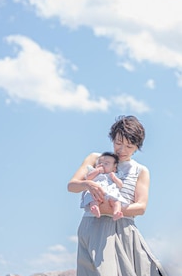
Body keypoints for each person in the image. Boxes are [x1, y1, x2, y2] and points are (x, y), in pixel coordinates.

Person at [68, 115, 167, 276]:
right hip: (92, 225)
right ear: (112, 139)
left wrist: (113, 208)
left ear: (137, 147)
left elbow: (141, 207)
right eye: (118, 143)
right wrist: (88, 184)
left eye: (129, 146)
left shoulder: (140, 170)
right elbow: (72, 186)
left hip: (123, 227)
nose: (122, 150)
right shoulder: (96, 158)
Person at [80, 151, 127, 220]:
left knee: (117, 202)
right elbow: (88, 178)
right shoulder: (95, 172)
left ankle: (116, 212)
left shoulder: (114, 174)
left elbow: (120, 185)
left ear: (114, 168)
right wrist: (97, 171)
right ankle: (95, 208)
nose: (102, 165)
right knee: (92, 198)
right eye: (100, 163)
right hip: (97, 191)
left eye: (106, 163)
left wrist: (114, 178)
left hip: (111, 192)